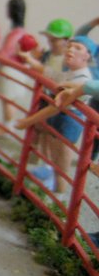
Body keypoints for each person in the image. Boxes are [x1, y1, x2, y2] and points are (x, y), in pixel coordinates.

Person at [16, 36, 96, 195]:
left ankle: (60, 191)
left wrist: (28, 121)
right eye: (70, 46)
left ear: (87, 56)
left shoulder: (83, 79)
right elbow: (50, 73)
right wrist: (29, 59)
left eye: (77, 48)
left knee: (62, 158)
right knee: (54, 151)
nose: (70, 50)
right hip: (60, 118)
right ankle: (52, 178)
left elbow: (56, 106)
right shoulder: (70, 73)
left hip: (69, 121)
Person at [0, 0, 29, 136]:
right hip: (12, 69)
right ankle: (7, 124)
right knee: (8, 100)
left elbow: (4, 54)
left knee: (8, 100)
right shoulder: (18, 32)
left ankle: (7, 125)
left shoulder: (16, 34)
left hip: (11, 70)